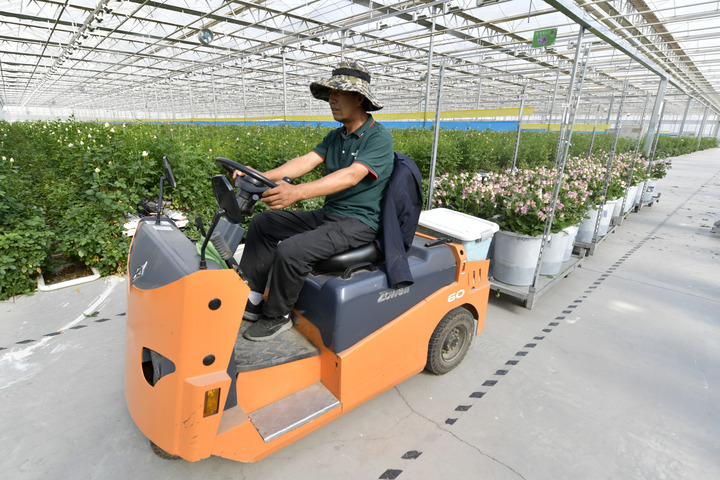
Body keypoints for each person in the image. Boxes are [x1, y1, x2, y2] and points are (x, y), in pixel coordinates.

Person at [236, 61, 394, 341]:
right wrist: (260, 176)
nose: (331, 99)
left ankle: (277, 316)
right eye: (330, 93)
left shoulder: (378, 137)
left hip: (358, 223)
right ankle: (253, 298)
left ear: (359, 98)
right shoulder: (336, 136)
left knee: (292, 250)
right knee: (263, 223)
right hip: (330, 215)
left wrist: (297, 192)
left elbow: (351, 176)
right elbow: (305, 162)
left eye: (338, 93)